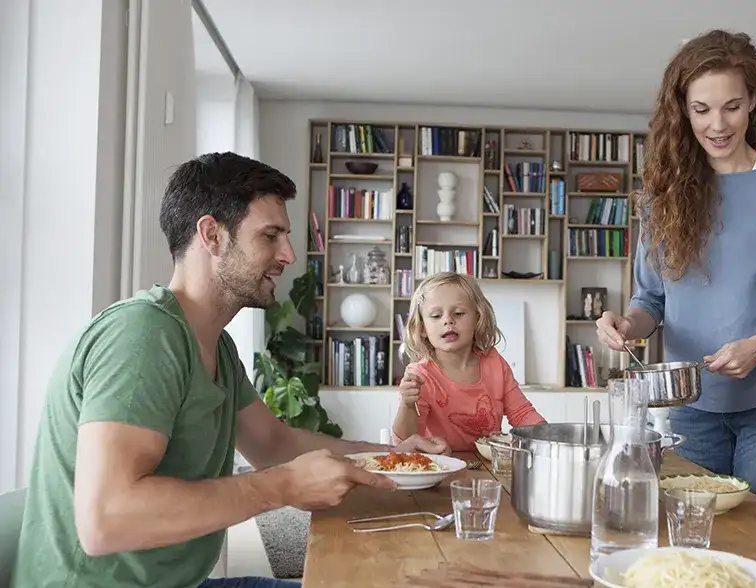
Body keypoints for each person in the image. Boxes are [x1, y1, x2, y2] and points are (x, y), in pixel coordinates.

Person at [11, 152, 450, 588]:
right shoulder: (143, 335)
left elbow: (274, 442)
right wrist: (282, 487)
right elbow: (107, 519)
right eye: (270, 235)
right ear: (212, 235)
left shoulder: (214, 345)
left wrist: (396, 459)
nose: (289, 254)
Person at [595, 29, 756, 506]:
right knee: (695, 536)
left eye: (731, 106)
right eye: (701, 109)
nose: (718, 124)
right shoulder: (662, 196)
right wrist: (628, 324)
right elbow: (651, 300)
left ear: (753, 100)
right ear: (683, 111)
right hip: (691, 407)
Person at [392, 272, 546, 451]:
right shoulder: (421, 375)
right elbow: (406, 443)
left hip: (487, 469)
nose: (448, 320)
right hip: (439, 467)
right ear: (422, 328)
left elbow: (522, 414)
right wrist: (407, 404)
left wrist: (548, 437)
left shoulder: (494, 363)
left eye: (458, 313)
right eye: (436, 316)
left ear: (477, 318)